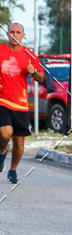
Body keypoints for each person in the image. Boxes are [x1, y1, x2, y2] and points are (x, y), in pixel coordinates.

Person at [0, 22, 45, 184]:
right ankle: (3, 150)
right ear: (7, 34)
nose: (14, 35)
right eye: (11, 32)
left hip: (21, 103)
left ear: (23, 35)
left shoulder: (29, 54)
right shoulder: (1, 50)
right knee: (5, 133)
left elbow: (41, 78)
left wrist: (33, 73)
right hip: (2, 100)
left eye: (18, 32)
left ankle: (12, 170)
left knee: (19, 140)